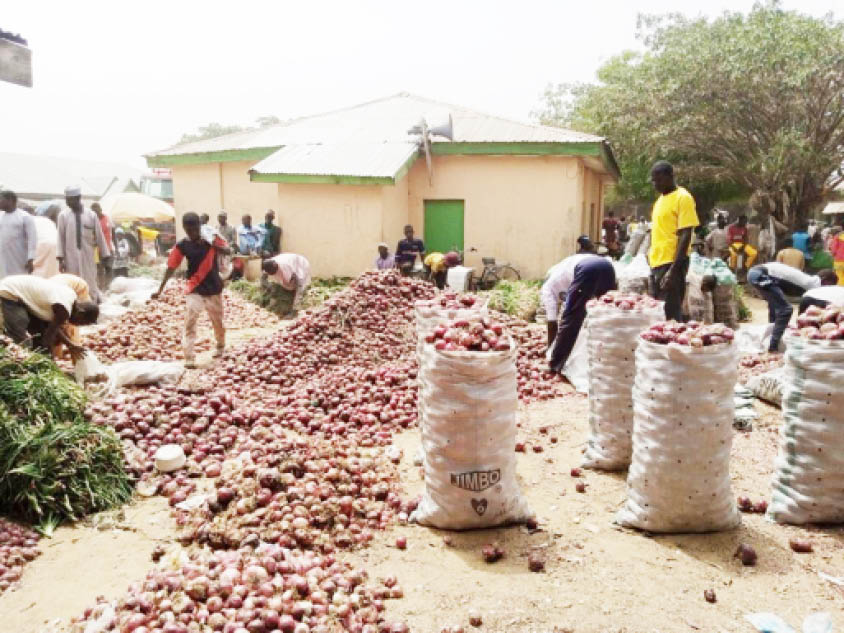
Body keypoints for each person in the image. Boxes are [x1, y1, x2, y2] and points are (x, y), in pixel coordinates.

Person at [151, 212, 229, 368]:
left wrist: (212, 244)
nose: (192, 233)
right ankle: (189, 356)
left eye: (194, 230)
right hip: (194, 287)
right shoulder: (182, 245)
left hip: (213, 286)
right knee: (190, 320)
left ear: (199, 227)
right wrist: (160, 289)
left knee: (217, 321)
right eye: (188, 230)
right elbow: (171, 267)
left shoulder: (211, 239)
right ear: (184, 228)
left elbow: (227, 251)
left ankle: (220, 345)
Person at [543, 242, 616, 373]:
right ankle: (609, 357)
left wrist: (551, 349)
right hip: (607, 266)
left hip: (588, 268)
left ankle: (555, 364)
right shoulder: (562, 269)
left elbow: (552, 322)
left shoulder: (547, 289)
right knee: (607, 312)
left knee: (572, 317)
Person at [0, 273, 97, 359]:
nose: (78, 325)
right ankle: (18, 366)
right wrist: (47, 360)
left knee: (37, 331)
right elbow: (48, 337)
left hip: (20, 294)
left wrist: (70, 345)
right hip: (11, 292)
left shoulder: (70, 299)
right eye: (82, 323)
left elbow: (53, 327)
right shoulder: (64, 309)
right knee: (20, 336)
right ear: (81, 313)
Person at [647, 161, 699, 321]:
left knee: (671, 313)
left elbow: (685, 234)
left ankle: (674, 346)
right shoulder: (660, 201)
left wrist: (673, 270)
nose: (656, 184)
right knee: (658, 313)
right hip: (657, 262)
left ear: (670, 176)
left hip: (672, 263)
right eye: (654, 181)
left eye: (659, 180)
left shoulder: (683, 198)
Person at [747, 262, 837, 352]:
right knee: (786, 309)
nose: (829, 288)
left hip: (758, 273)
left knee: (776, 306)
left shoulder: (809, 280)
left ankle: (771, 340)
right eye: (830, 285)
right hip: (761, 275)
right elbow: (805, 308)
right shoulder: (813, 284)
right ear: (824, 280)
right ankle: (773, 347)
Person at [56, 185, 111, 303]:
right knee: (73, 285)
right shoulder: (63, 216)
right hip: (70, 258)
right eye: (67, 199)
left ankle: (93, 309)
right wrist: (61, 260)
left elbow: (100, 235)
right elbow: (60, 238)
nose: (68, 202)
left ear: (78, 198)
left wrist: (105, 255)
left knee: (90, 282)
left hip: (88, 257)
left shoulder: (91, 215)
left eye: (71, 199)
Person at [0, 190, 36, 277]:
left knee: (19, 281)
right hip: (3, 257)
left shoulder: (25, 217)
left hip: (19, 257)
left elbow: (32, 239)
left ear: (10, 200)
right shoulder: (1, 216)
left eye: (1, 199)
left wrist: (31, 258)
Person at [91, 202, 114, 291]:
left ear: (100, 210)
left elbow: (113, 231)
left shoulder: (107, 218)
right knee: (99, 269)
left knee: (109, 268)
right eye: (94, 212)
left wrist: (114, 245)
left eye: (97, 211)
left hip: (109, 248)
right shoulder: (92, 221)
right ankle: (101, 287)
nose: (96, 213)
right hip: (97, 250)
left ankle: (108, 286)